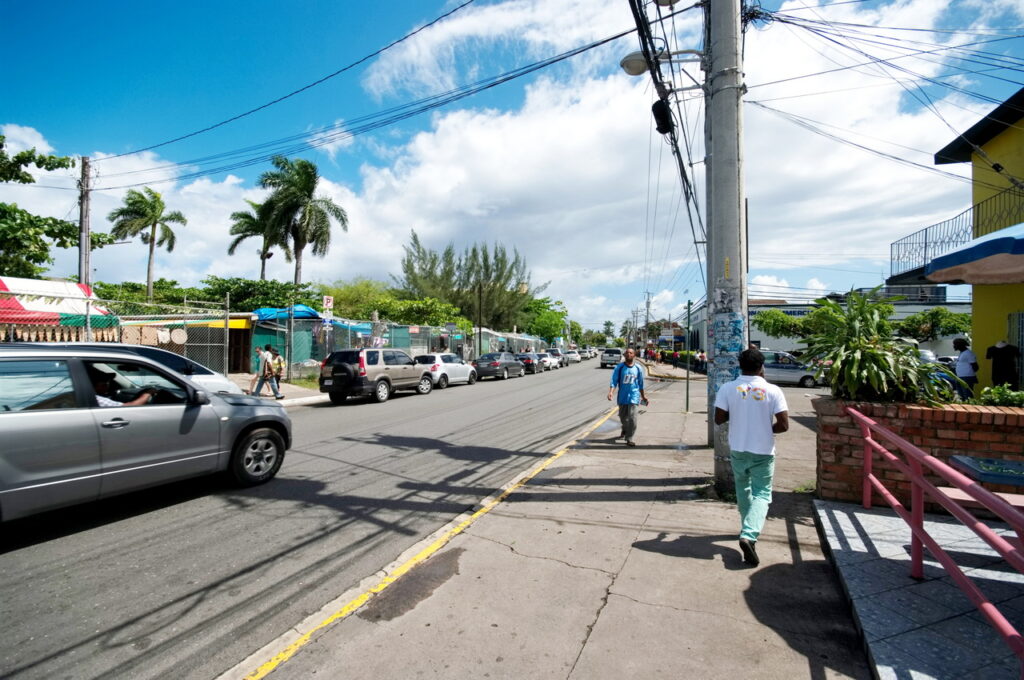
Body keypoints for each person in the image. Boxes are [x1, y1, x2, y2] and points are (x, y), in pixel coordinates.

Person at [713, 348, 789, 567]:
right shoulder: (773, 390)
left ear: (740, 365)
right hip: (763, 451)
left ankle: (748, 531)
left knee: (743, 489)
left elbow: (719, 419)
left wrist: (740, 413)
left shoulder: (728, 388)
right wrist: (765, 429)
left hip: (738, 448)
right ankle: (749, 534)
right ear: (761, 367)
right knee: (762, 493)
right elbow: (783, 425)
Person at [606, 348, 648, 447]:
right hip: (622, 397)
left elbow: (641, 384)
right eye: (627, 353)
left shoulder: (638, 368)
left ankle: (629, 438)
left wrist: (643, 396)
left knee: (633, 418)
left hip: (634, 396)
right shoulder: (619, 367)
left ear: (634, 355)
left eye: (631, 353)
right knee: (623, 418)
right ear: (624, 355)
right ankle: (624, 429)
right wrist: (611, 392)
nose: (629, 354)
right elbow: (614, 381)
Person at [91, 370, 156, 407]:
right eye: (104, 384)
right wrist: (147, 394)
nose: (107, 385)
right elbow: (128, 407)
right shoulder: (97, 400)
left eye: (108, 382)